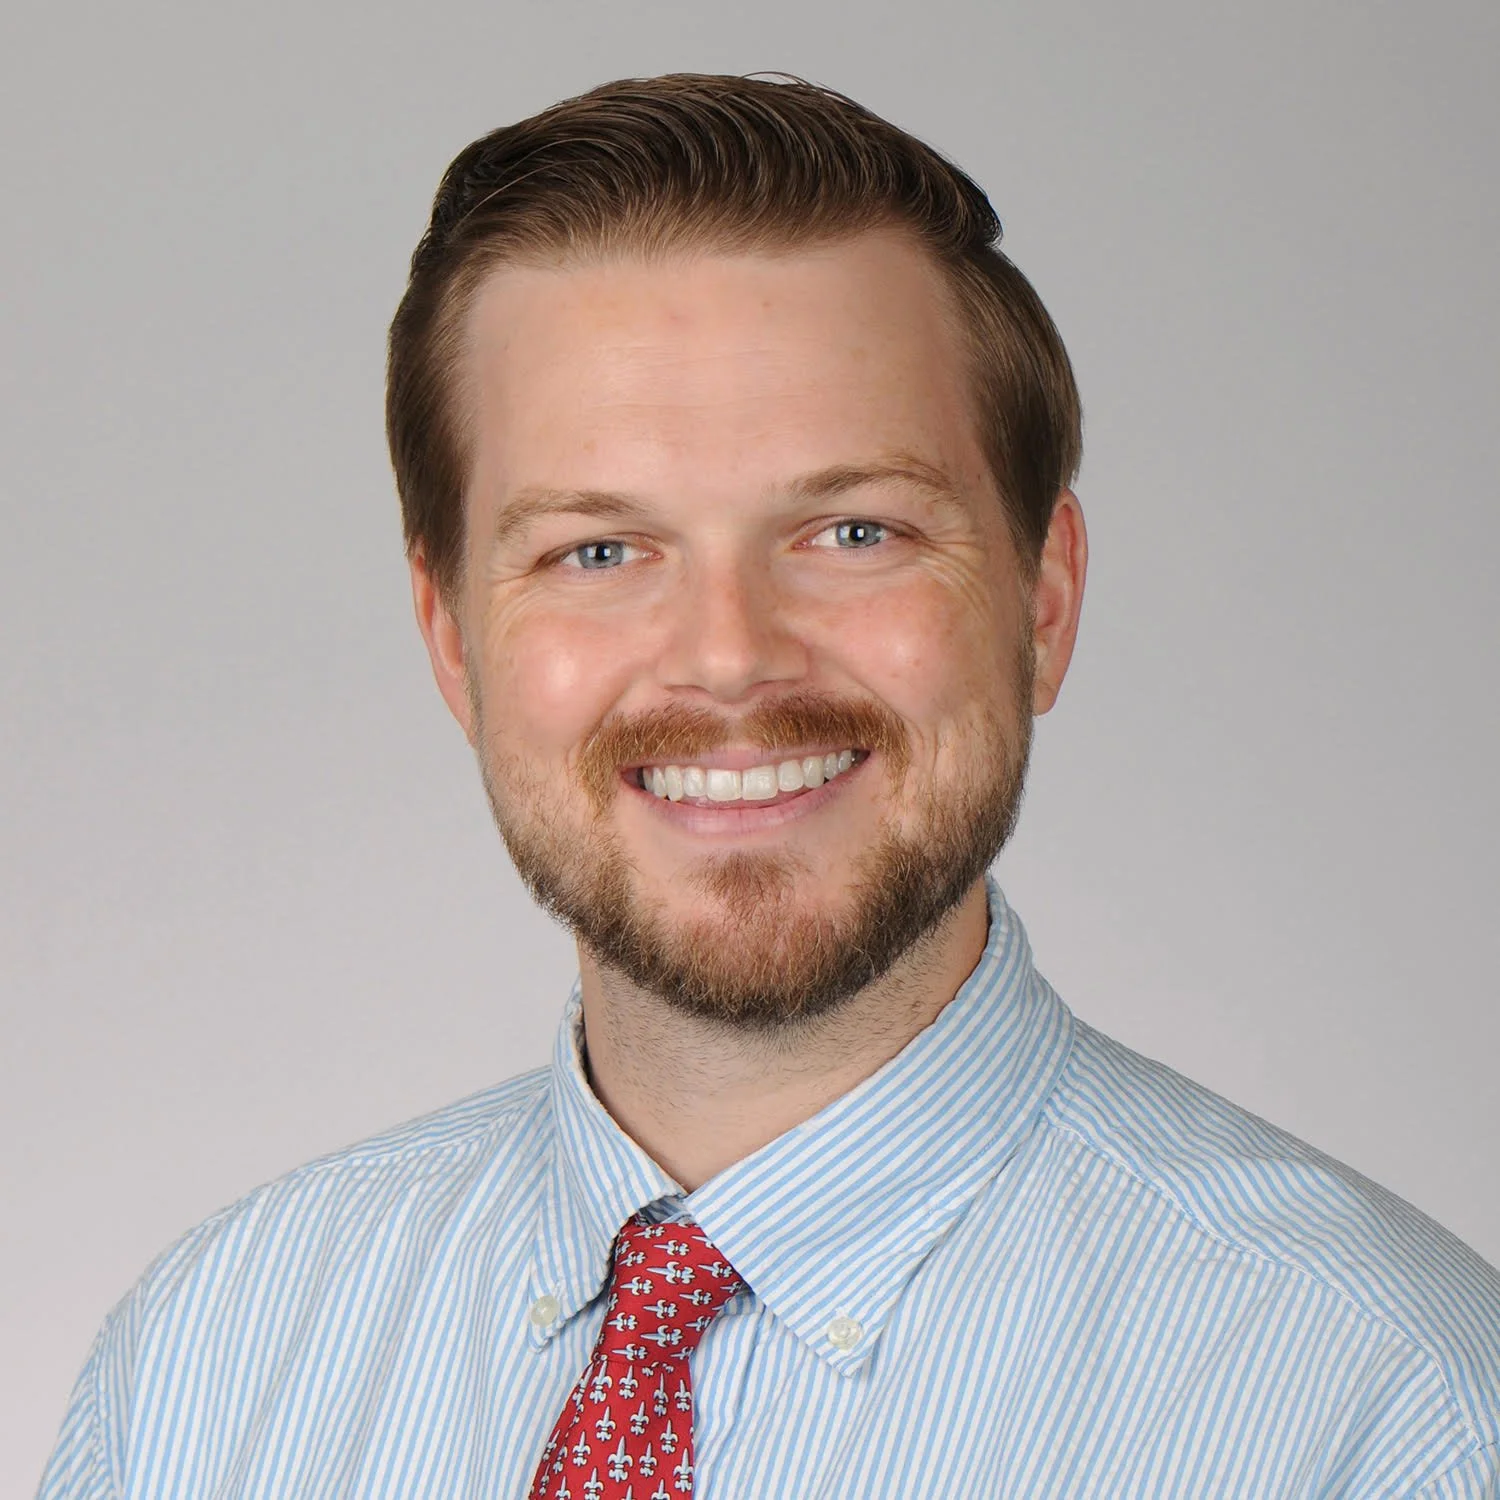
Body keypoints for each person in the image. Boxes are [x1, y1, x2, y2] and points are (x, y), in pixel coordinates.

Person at [38, 73, 1500, 1499]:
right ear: (453, 641)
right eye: (597, 553)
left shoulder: (1388, 1409)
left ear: (1043, 600)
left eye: (854, 532)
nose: (730, 661)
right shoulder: (200, 1369)